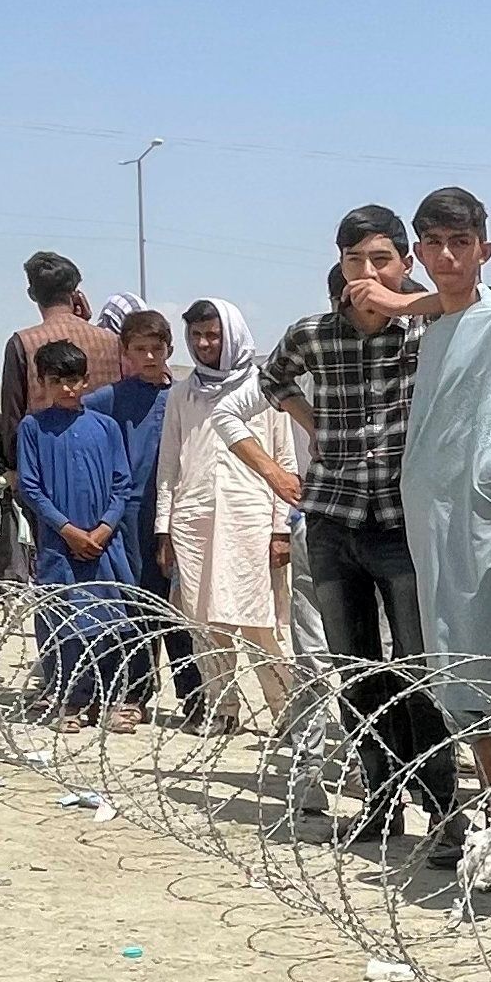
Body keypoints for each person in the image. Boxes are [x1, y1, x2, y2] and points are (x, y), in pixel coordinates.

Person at [218, 209, 456, 846]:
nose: (368, 275)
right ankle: (380, 799)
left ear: (405, 262)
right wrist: (312, 423)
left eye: (381, 260)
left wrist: (410, 299)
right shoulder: (314, 335)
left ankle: (442, 806)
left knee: (419, 669)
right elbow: (270, 381)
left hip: (405, 526)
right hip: (333, 521)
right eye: (356, 262)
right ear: (339, 265)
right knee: (356, 671)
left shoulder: (428, 329)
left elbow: (484, 302)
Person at [379, 185, 491, 878]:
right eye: (434, 244)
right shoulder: (433, 328)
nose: (447, 257)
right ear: (419, 252)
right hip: (438, 538)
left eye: (461, 243)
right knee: (466, 693)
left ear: (484, 249)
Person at [159, 299, 297, 737]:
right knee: (205, 624)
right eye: (197, 336)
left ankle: (287, 714)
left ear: (231, 335)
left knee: (261, 625)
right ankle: (224, 710)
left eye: (213, 335)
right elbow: (169, 464)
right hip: (195, 521)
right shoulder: (183, 392)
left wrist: (281, 529)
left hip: (251, 520)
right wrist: (163, 528)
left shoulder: (264, 388)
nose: (204, 344)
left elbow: (285, 458)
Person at [85, 309, 195, 735]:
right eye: (140, 349)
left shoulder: (184, 396)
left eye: (157, 348)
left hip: (180, 514)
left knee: (179, 608)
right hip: (131, 515)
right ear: (125, 352)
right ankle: (134, 695)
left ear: (169, 349)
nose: (150, 356)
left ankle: (195, 696)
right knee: (137, 606)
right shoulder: (109, 399)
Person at [15, 341, 135, 732]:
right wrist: (68, 531)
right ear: (43, 383)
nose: (67, 389)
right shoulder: (33, 428)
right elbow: (31, 489)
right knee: (63, 623)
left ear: (85, 381)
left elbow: (122, 484)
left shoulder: (106, 426)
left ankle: (109, 700)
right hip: (59, 546)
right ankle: (67, 700)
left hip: (104, 544)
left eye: (73, 381)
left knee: (111, 624)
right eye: (57, 381)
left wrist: (102, 529)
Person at [0, 250, 120, 571]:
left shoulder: (23, 343)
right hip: (105, 482)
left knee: (58, 583)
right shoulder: (109, 342)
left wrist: (18, 476)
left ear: (32, 293)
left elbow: (11, 418)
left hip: (47, 484)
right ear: (75, 290)